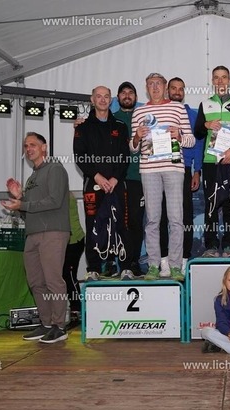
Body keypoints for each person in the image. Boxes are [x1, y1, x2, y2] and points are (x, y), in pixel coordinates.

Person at [2, 132, 71, 344]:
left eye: (33, 144)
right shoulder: (32, 178)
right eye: (26, 146)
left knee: (53, 281)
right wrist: (19, 199)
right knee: (36, 282)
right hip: (32, 234)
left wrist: (23, 203)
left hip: (53, 231)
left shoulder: (55, 168)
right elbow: (28, 213)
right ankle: (46, 323)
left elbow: (54, 201)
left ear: (44, 147)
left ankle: (59, 326)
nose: (28, 149)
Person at [129, 72, 195, 281]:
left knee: (176, 219)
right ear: (146, 87)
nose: (155, 87)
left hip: (174, 168)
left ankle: (175, 266)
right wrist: (137, 137)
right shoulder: (139, 111)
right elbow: (132, 148)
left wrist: (180, 136)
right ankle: (153, 266)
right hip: (149, 170)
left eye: (158, 83)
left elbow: (191, 140)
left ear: (165, 87)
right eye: (151, 84)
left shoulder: (178, 108)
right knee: (152, 220)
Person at [73, 86, 130, 280]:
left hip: (116, 183)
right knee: (93, 225)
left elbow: (125, 156)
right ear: (92, 99)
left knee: (121, 224)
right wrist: (96, 176)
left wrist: (115, 178)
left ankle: (125, 267)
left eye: (106, 96)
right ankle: (93, 269)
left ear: (111, 100)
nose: (103, 100)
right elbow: (79, 156)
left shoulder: (120, 126)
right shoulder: (82, 127)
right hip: (93, 184)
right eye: (99, 96)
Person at [194, 66, 230, 257]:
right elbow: (197, 132)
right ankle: (210, 246)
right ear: (212, 81)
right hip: (210, 161)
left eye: (224, 77)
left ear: (229, 80)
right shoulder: (205, 104)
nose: (220, 81)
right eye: (216, 78)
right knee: (211, 204)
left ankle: (229, 246)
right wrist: (206, 124)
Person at [158, 77, 205, 274]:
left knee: (185, 216)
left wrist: (197, 170)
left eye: (181, 89)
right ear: (167, 91)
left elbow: (198, 144)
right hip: (160, 168)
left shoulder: (192, 115)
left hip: (183, 169)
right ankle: (163, 260)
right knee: (161, 216)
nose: (177, 92)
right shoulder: (159, 112)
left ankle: (184, 260)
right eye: (174, 88)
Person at [113, 81, 145, 279]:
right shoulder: (112, 119)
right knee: (119, 222)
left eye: (130, 92)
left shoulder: (144, 117)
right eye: (123, 92)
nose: (127, 95)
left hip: (139, 177)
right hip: (117, 179)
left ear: (136, 96)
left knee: (136, 221)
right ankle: (120, 263)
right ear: (118, 98)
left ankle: (133, 262)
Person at [62, 192, 85, 313]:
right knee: (67, 275)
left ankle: (77, 308)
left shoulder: (63, 196)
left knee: (69, 275)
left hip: (73, 240)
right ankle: (76, 307)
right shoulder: (64, 194)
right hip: (71, 240)